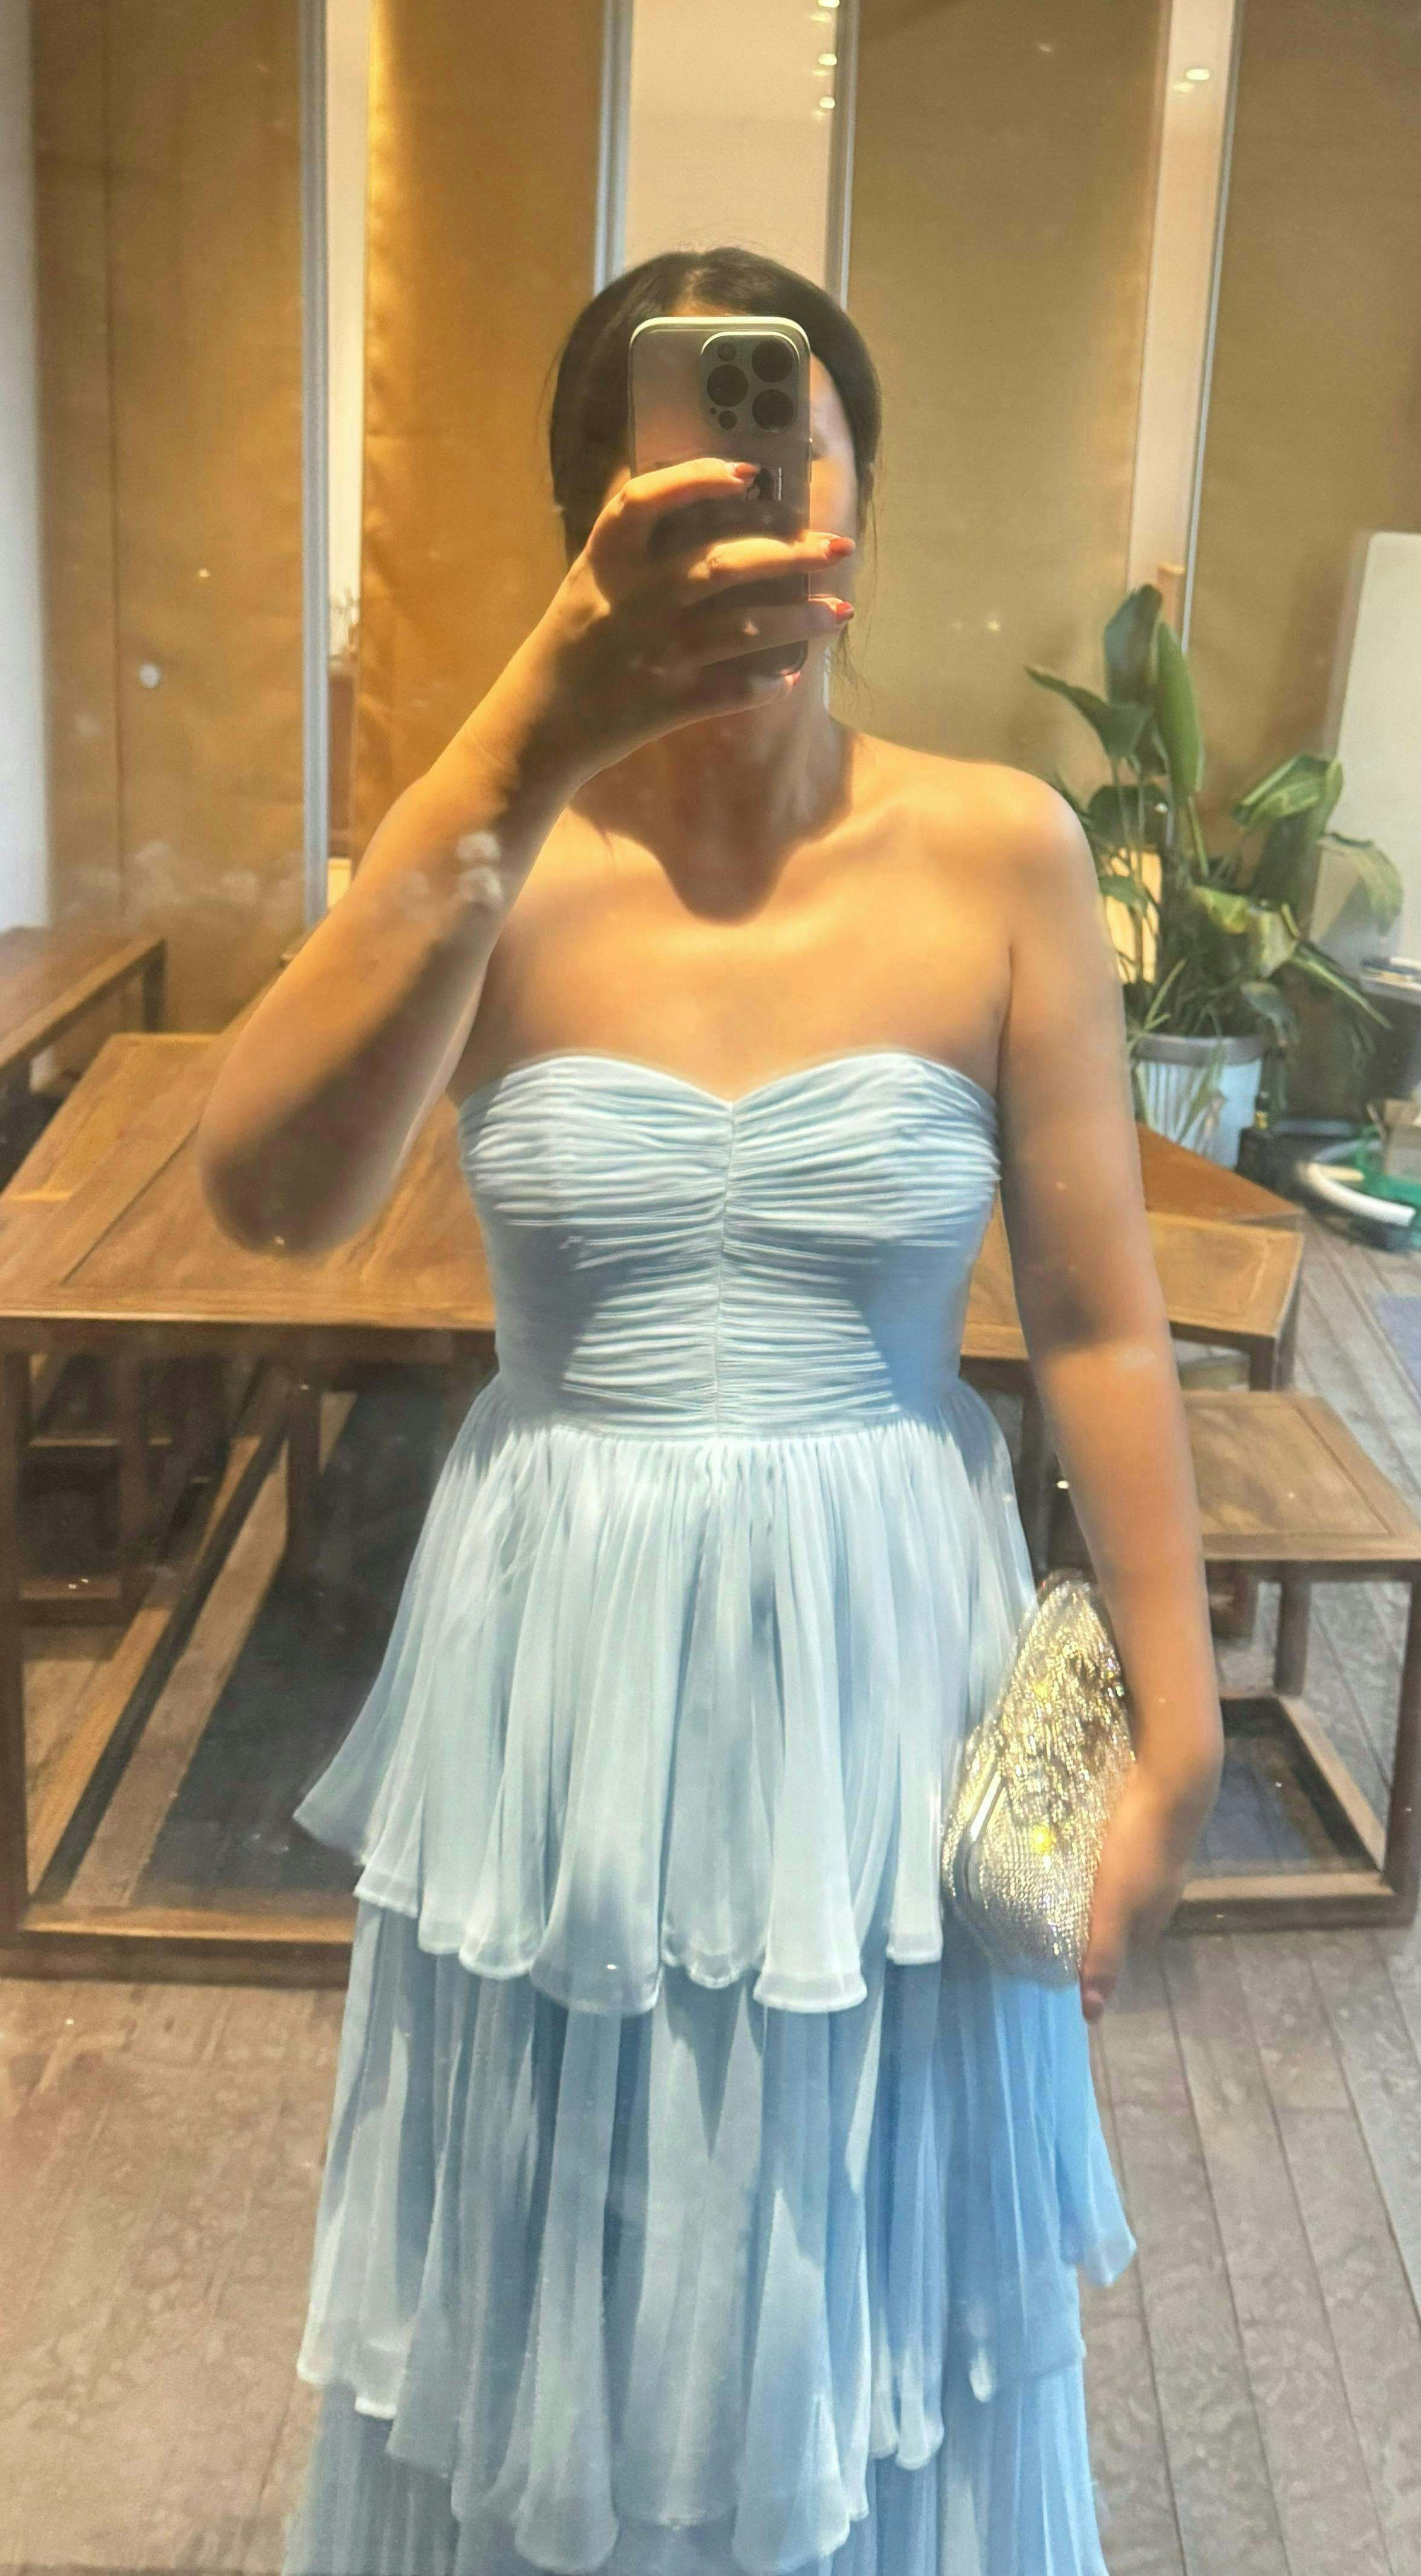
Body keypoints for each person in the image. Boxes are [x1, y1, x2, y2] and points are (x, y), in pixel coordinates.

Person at [198, 247, 1224, 2575]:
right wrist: (516, 743)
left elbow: (1093, 1318)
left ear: (862, 504)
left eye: (792, 461)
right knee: (561, 2221)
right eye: (671, 480)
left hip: (890, 1650)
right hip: (560, 1661)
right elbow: (274, 1198)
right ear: (587, 534)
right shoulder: (490, 850)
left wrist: (1174, 1735)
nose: (745, 512)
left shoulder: (1000, 848)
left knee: (856, 2228)